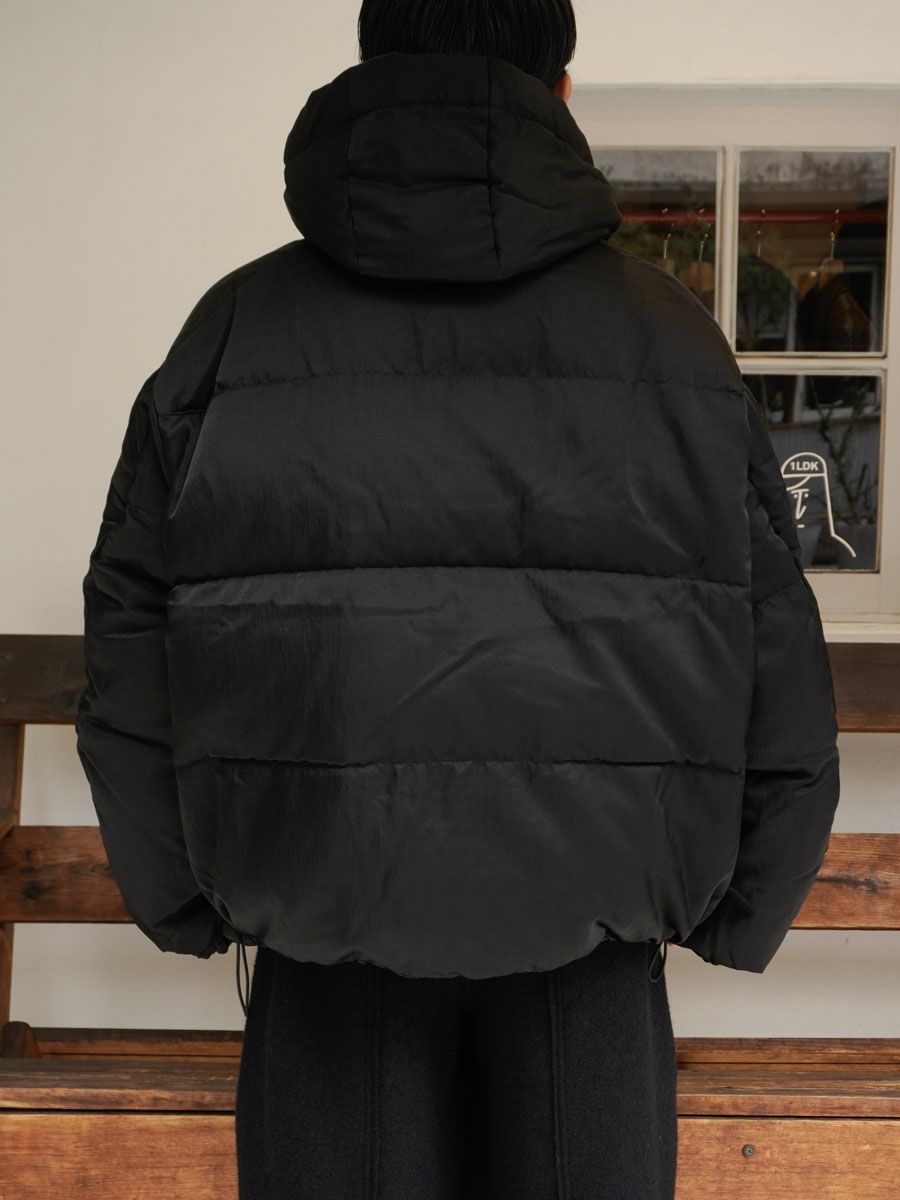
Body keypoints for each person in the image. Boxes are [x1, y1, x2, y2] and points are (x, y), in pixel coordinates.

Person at [73, 2, 841, 1197]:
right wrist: (745, 903)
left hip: (321, 922)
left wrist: (184, 897)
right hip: (594, 938)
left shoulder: (233, 333)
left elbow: (128, 635)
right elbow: (776, 647)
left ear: (371, 70)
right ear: (561, 92)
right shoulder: (672, 343)